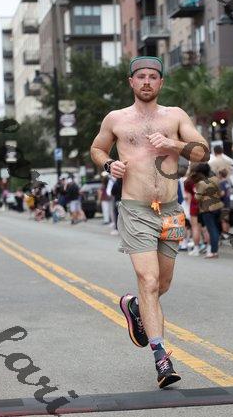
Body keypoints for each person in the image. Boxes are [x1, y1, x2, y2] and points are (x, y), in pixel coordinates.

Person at [90, 55, 209, 388]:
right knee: (149, 280)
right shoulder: (116, 119)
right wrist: (108, 165)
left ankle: (134, 306)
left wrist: (173, 144)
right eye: (140, 76)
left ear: (161, 82)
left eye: (152, 76)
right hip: (135, 209)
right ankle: (161, 358)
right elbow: (97, 148)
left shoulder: (175, 116)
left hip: (170, 210)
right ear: (131, 82)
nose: (146, 81)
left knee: (161, 285)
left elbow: (203, 152)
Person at [193, 163, 223, 259]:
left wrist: (195, 192)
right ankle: (214, 250)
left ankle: (214, 252)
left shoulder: (202, 183)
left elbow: (197, 197)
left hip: (207, 209)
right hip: (217, 206)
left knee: (212, 230)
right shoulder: (216, 180)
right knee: (216, 229)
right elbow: (220, 193)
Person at [218, 168, 231, 238]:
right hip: (228, 202)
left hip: (223, 203)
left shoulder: (221, 183)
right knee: (227, 219)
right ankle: (228, 233)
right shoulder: (227, 182)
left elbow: (222, 193)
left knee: (223, 220)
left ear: (220, 174)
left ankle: (225, 234)